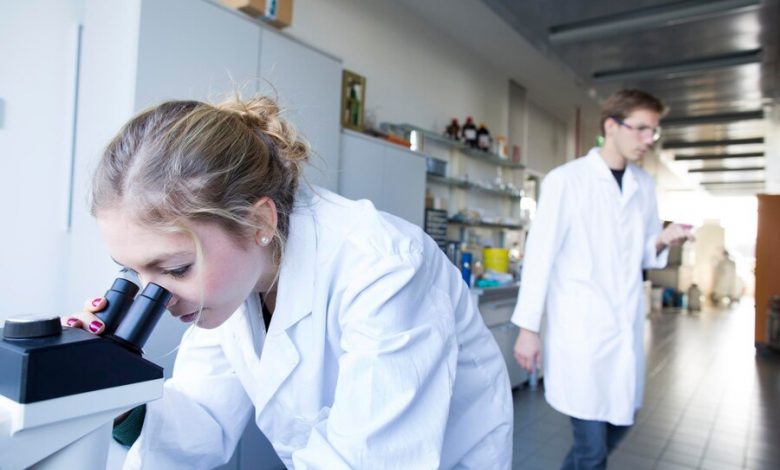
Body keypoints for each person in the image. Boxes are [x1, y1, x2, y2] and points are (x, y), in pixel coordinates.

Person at [64, 96, 513, 469]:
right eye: (132, 272)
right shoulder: (232, 283)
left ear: (260, 220)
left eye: (176, 269)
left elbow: (369, 459)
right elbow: (202, 419)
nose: (155, 297)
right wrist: (118, 396)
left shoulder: (383, 267)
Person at [511, 89, 693, 469]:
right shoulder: (567, 181)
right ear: (611, 125)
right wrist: (528, 328)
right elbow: (539, 258)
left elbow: (640, 252)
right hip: (580, 329)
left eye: (653, 132)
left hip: (623, 326)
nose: (648, 140)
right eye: (641, 129)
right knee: (592, 450)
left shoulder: (643, 186)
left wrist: (662, 238)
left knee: (619, 425)